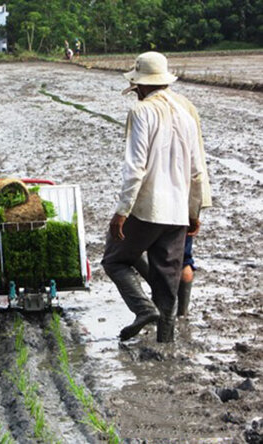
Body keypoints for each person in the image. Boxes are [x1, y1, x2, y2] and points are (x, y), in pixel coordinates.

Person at [101, 52, 204, 343]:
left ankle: (143, 309)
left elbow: (136, 167)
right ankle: (165, 344)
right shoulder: (185, 114)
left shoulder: (142, 111)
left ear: (141, 85)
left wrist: (122, 210)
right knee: (166, 280)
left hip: (148, 208)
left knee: (114, 260)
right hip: (178, 211)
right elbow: (197, 170)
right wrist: (194, 211)